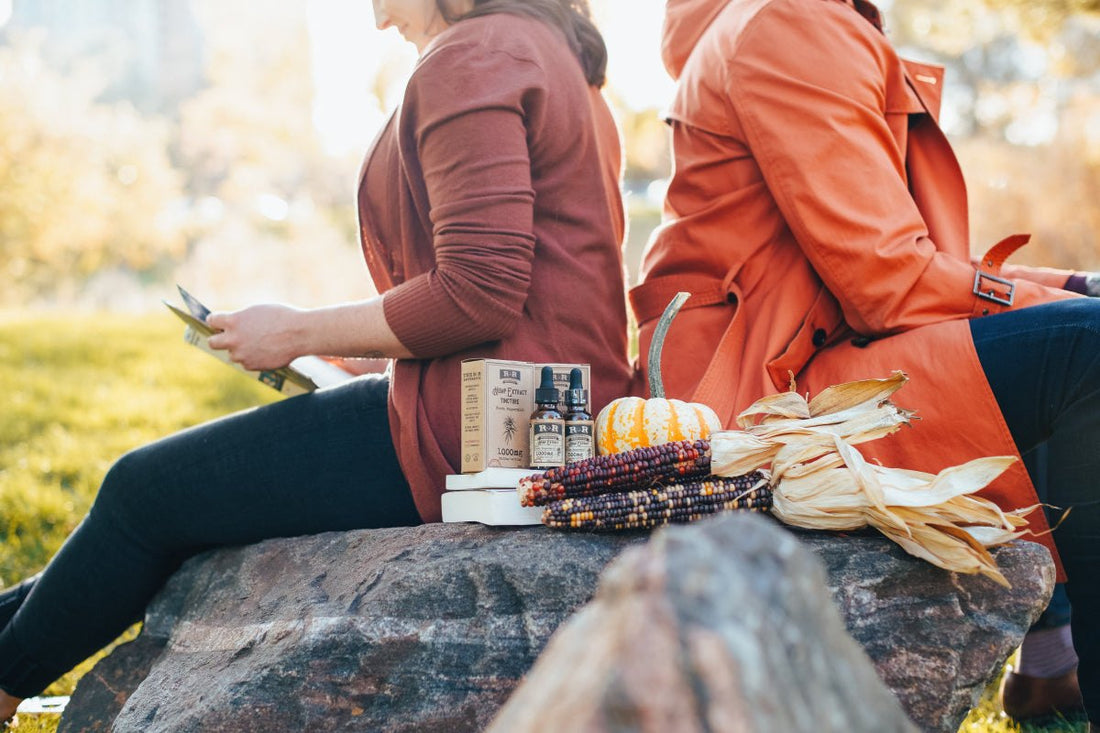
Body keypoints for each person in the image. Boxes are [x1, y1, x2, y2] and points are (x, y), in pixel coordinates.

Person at [0, 0, 632, 723]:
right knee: (151, 508)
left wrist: (296, 331)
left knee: (143, 494)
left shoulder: (473, 57)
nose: (375, 19)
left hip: (474, 430)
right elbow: (531, 288)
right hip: (538, 414)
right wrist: (337, 348)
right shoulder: (554, 54)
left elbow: (479, 292)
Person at [632, 0, 1100, 725]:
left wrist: (1069, 288)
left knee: (1055, 337)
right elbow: (889, 281)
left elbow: (898, 261)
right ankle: (1059, 660)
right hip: (765, 396)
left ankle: (1051, 659)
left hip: (800, 356)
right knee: (1083, 351)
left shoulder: (776, 19)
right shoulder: (785, 21)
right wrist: (1063, 300)